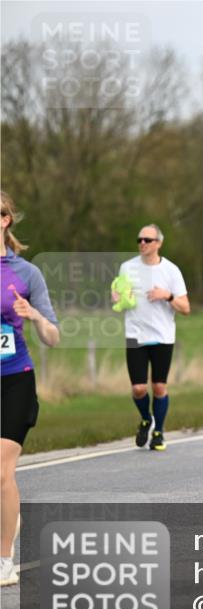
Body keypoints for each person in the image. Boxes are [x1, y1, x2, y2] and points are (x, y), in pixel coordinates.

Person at [1, 191, 60, 587]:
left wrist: (35, 315)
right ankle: (8, 515)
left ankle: (4, 561)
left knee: (0, 470)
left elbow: (52, 337)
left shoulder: (26, 273)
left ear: (5, 220)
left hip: (15, 380)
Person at [114, 225, 191, 452]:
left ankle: (158, 432)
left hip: (162, 336)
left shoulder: (171, 271)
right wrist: (118, 297)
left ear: (158, 243)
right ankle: (146, 419)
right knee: (138, 388)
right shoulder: (127, 267)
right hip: (135, 335)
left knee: (158, 387)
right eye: (139, 240)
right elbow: (120, 295)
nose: (142, 243)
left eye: (147, 240)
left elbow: (186, 308)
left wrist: (167, 295)